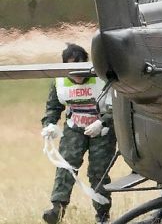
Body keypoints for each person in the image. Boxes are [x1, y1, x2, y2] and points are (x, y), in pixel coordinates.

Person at [40, 44, 115, 224]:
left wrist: (102, 122)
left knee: (99, 172)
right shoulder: (59, 82)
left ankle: (102, 215)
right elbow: (53, 107)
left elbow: (116, 106)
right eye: (72, 67)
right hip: (74, 128)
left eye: (81, 67)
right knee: (65, 167)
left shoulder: (102, 79)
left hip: (102, 131)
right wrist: (49, 125)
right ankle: (57, 209)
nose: (78, 74)